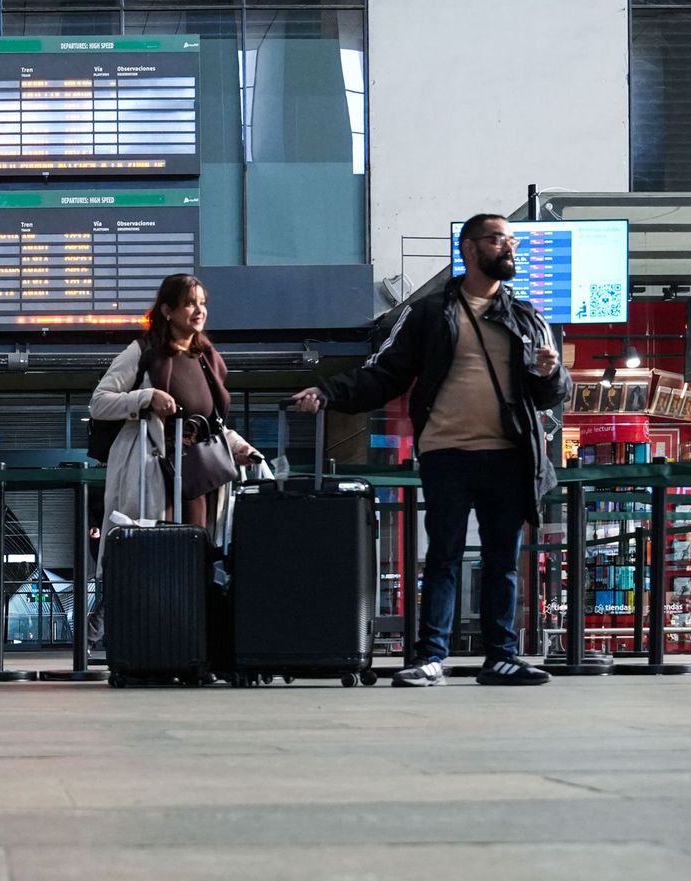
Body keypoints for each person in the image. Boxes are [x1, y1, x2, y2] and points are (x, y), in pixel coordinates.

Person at [289, 213, 570, 686]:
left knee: (503, 560)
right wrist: (331, 393)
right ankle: (431, 655)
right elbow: (385, 371)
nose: (509, 248)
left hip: (510, 455)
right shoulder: (430, 313)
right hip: (447, 453)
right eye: (498, 239)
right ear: (468, 248)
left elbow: (550, 395)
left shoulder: (528, 319)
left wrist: (548, 373)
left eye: (512, 241)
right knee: (443, 555)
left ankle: (501, 656)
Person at [85, 273, 259, 647]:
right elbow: (99, 402)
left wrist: (241, 447)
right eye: (189, 303)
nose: (199, 311)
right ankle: (149, 643)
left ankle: (189, 644)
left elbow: (213, 425)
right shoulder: (143, 351)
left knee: (196, 560)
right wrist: (145, 398)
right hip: (155, 473)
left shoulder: (208, 359)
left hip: (198, 478)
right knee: (152, 557)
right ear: (167, 310)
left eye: (202, 303)